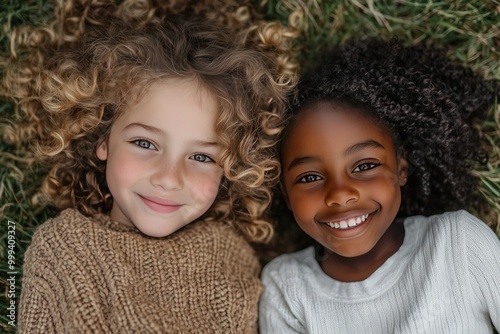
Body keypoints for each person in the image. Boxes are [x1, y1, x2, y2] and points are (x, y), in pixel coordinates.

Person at [1, 1, 298, 332]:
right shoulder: (63, 246)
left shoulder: (232, 254)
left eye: (201, 157)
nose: (169, 179)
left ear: (229, 168)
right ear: (103, 139)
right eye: (145, 144)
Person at [259, 38, 500, 333]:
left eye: (365, 166)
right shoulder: (287, 289)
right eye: (309, 178)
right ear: (285, 193)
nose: (340, 194)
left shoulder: (458, 244)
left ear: (400, 168)